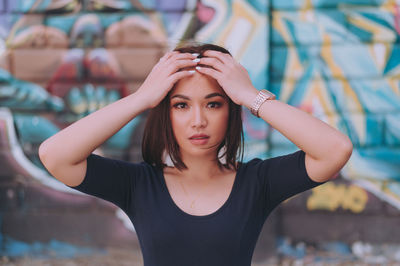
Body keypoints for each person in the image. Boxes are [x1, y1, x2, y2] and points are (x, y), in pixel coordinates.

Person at [38, 43, 353, 266]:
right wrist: (142, 98)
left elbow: (334, 150)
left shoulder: (257, 183)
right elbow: (55, 155)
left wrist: (249, 96)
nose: (198, 120)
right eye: (181, 105)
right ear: (167, 113)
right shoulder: (139, 184)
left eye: (214, 103)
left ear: (230, 111)